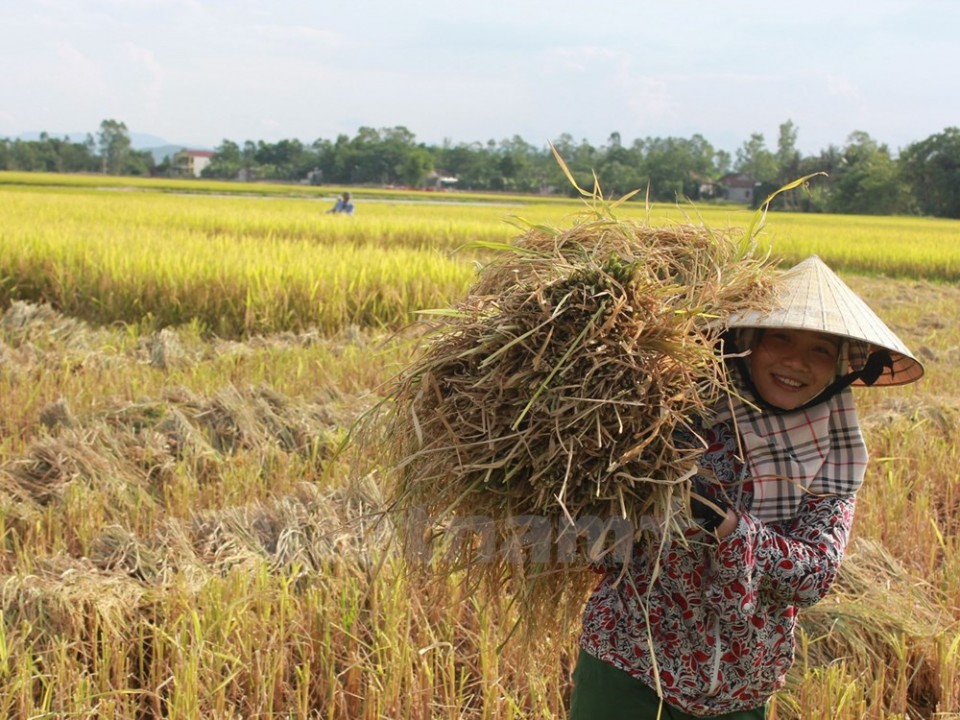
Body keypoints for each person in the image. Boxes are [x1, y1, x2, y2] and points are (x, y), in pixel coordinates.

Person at [569, 255, 924, 719]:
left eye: (820, 349)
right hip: (629, 656)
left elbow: (815, 575)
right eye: (781, 337)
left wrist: (730, 528)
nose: (797, 361)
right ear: (749, 341)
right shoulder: (677, 410)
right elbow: (594, 514)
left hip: (740, 679)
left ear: (839, 366)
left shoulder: (832, 457)